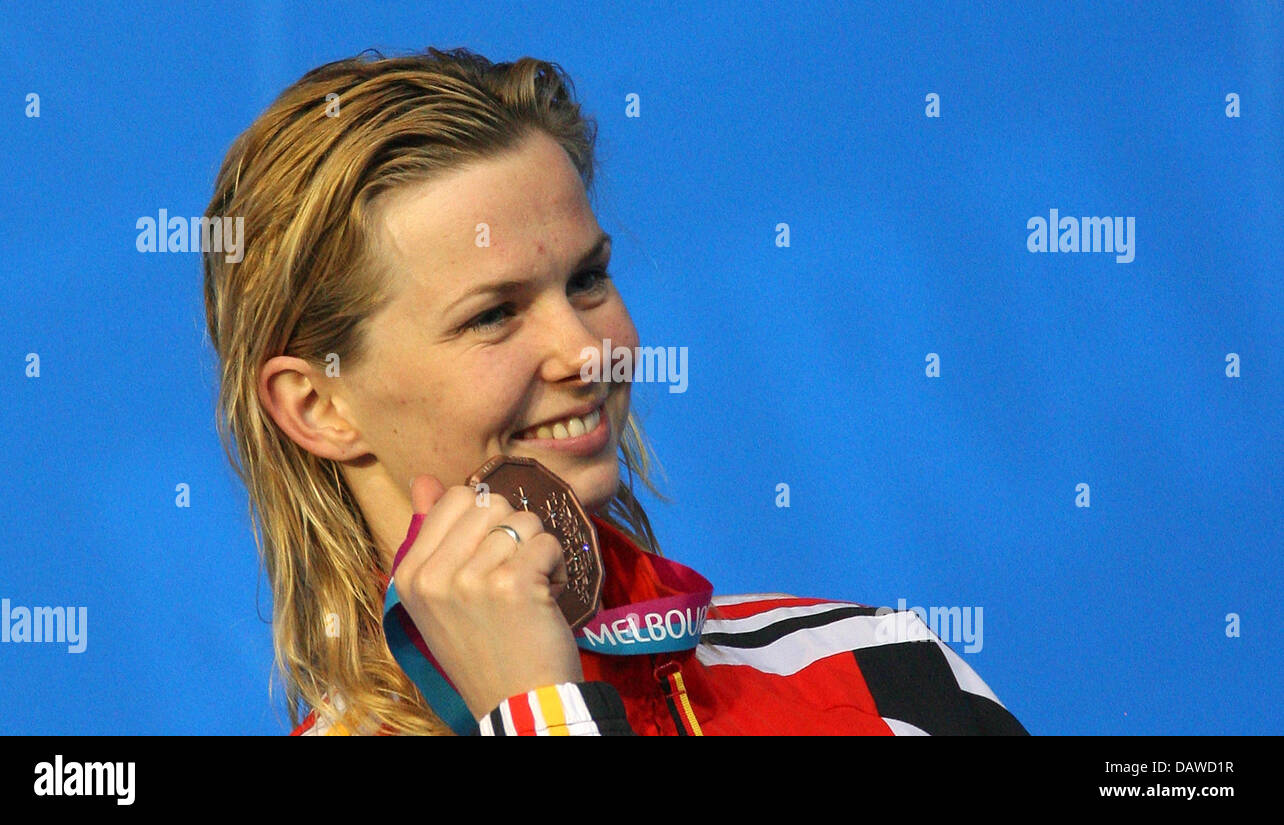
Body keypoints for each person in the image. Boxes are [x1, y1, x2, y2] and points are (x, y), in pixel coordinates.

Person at [202, 47, 1027, 736]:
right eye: (493, 314)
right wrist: (538, 711)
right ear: (320, 405)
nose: (585, 350)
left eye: (588, 279)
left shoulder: (876, 674)